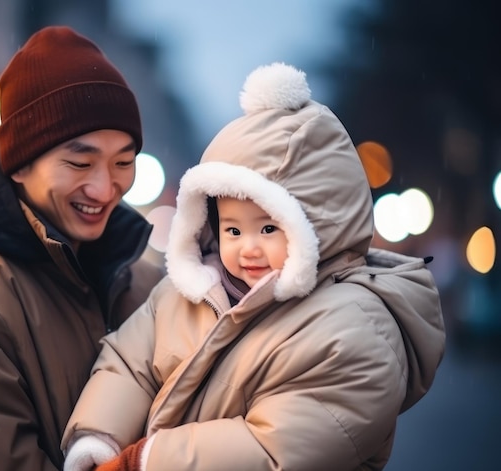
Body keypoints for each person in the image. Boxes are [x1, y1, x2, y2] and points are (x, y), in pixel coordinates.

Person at [60, 62, 446, 471]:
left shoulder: (356, 328)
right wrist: (98, 442)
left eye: (267, 227)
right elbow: (127, 363)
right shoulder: (185, 294)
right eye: (232, 230)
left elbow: (272, 450)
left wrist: (143, 460)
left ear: (317, 227)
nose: (248, 249)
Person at [0, 25, 164, 470]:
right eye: (79, 162)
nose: (105, 188)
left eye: (124, 162)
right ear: (20, 164)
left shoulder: (146, 280)